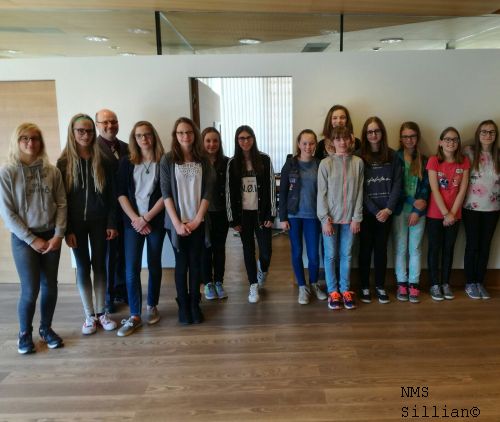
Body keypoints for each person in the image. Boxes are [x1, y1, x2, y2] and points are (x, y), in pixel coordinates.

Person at [0, 123, 66, 354]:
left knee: (50, 286)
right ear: (17, 142)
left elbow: (61, 204)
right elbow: (8, 213)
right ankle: (24, 333)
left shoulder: (52, 171)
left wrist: (58, 234)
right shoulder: (7, 173)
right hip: (24, 239)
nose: (31, 143)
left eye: (35, 138)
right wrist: (31, 239)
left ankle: (46, 329)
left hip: (51, 236)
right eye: (25, 138)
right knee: (30, 289)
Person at [57, 114, 118, 334]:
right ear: (72, 133)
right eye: (81, 131)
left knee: (100, 265)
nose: (85, 135)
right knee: (83, 267)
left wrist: (112, 223)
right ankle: (89, 315)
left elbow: (112, 196)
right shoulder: (63, 163)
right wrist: (68, 230)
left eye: (90, 131)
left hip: (100, 222)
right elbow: (61, 199)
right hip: (76, 226)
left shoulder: (104, 160)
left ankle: (102, 313)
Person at [160, 117, 215, 324]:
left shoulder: (203, 160)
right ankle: (183, 305)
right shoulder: (167, 160)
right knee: (181, 264)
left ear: (195, 135)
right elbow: (166, 193)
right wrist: (177, 224)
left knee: (196, 263)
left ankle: (194, 304)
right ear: (175, 135)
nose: (185, 136)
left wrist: (197, 219)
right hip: (176, 223)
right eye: (181, 132)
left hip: (197, 221)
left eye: (189, 132)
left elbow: (208, 192)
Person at [116, 121, 166, 336]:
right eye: (139, 136)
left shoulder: (163, 161)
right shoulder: (126, 162)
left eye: (147, 134)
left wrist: (146, 218)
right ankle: (135, 314)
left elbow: (166, 193)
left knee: (154, 264)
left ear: (153, 136)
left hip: (155, 220)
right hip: (132, 223)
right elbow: (121, 194)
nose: (143, 139)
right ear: (134, 139)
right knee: (132, 268)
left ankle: (152, 305)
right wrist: (136, 219)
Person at [226, 125, 276, 303]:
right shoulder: (232, 163)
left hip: (261, 214)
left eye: (248, 137)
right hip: (243, 216)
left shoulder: (264, 159)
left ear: (253, 139)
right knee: (248, 250)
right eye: (241, 138)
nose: (245, 141)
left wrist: (271, 215)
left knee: (266, 251)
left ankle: (262, 269)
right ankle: (253, 284)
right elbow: (229, 192)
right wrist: (233, 220)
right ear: (237, 141)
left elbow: (271, 187)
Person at [317, 126, 364, 310]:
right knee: (330, 256)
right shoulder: (325, 164)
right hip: (330, 220)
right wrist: (324, 219)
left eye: (345, 138)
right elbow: (321, 194)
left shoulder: (358, 163)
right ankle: (333, 291)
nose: (342, 142)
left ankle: (345, 290)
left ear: (351, 140)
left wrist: (357, 217)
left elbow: (359, 192)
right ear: (332, 142)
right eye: (338, 139)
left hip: (350, 220)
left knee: (347, 255)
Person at [358, 116, 402, 304]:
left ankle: (379, 285)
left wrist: (388, 209)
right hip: (367, 213)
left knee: (381, 250)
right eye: (369, 132)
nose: (373, 134)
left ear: (382, 133)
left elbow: (398, 184)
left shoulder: (393, 156)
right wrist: (374, 209)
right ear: (365, 135)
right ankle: (364, 286)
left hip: (386, 213)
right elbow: (359, 187)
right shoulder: (359, 157)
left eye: (376, 131)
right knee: (365, 250)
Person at [279, 129, 327, 304]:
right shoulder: (290, 164)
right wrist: (282, 217)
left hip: (313, 216)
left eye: (311, 143)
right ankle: (302, 286)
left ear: (315, 145)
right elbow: (283, 192)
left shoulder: (320, 164)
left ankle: (314, 284)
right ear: (299, 144)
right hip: (293, 215)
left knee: (314, 254)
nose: (308, 146)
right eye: (304, 143)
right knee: (297, 251)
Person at [426, 127, 470, 301]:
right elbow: (434, 189)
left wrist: (452, 214)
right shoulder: (433, 161)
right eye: (447, 139)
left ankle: (445, 283)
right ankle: (434, 284)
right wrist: (445, 213)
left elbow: (462, 190)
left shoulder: (464, 161)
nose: (451, 142)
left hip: (455, 215)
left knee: (449, 249)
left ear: (458, 143)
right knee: (434, 249)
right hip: (435, 214)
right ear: (440, 142)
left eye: (455, 139)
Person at [95, 109, 129, 313]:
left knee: (124, 255)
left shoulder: (126, 147)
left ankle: (122, 291)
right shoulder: (92, 149)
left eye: (114, 121)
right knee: (108, 258)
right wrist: (109, 220)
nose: (110, 125)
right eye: (105, 122)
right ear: (97, 125)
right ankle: (107, 298)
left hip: (127, 213)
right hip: (105, 214)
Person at [392, 122, 429, 303]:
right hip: (399, 211)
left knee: (415, 249)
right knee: (400, 248)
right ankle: (401, 283)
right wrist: (411, 201)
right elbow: (394, 188)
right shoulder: (395, 158)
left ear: (417, 137)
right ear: (401, 138)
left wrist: (416, 210)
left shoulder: (424, 159)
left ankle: (414, 283)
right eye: (405, 136)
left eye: (412, 136)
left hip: (418, 213)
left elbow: (426, 187)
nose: (409, 140)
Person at [462, 120, 499, 300]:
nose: (488, 135)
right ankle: (470, 282)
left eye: (492, 132)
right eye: (484, 131)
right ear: (478, 134)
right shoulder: (468, 152)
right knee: (472, 245)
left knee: (485, 247)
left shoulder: (498, 155)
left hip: (493, 209)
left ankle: (480, 282)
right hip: (471, 207)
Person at [201, 127, 230, 300]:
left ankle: (219, 281)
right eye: (208, 141)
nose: (212, 144)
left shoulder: (227, 162)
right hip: (202, 214)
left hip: (221, 212)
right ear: (202, 142)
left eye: (215, 141)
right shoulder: (197, 162)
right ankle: (207, 283)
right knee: (206, 248)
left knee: (219, 248)